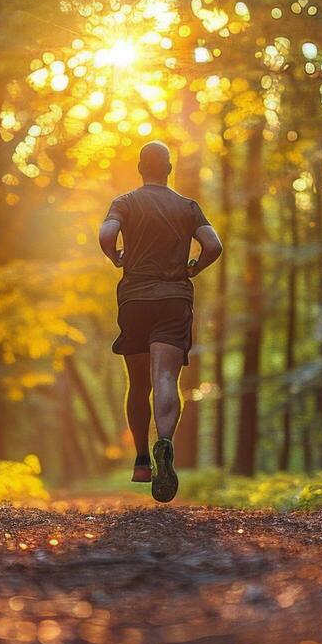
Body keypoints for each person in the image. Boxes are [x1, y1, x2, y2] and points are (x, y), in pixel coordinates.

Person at [98, 140, 223, 503]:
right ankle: (164, 443)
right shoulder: (188, 206)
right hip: (173, 298)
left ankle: (140, 459)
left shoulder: (124, 201)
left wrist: (115, 256)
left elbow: (106, 234)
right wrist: (194, 268)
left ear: (140, 168)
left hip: (134, 298)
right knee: (166, 377)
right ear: (169, 169)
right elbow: (213, 245)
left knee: (138, 384)